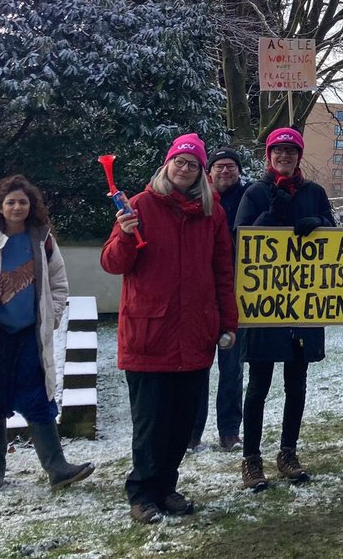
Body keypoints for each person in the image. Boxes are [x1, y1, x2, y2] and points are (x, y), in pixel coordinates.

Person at [100, 133, 236, 524]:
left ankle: (166, 486)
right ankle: (143, 492)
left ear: (200, 173)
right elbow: (112, 263)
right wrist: (125, 234)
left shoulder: (212, 214)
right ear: (168, 164)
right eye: (180, 161)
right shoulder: (139, 206)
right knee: (150, 424)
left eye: (193, 164)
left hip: (195, 335)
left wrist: (228, 321)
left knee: (181, 423)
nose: (185, 168)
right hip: (149, 335)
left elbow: (222, 272)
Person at [0, 175, 95, 494]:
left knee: (39, 398)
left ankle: (57, 468)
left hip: (29, 337)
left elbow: (59, 283)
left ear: (32, 206)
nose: (17, 207)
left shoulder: (42, 241)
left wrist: (52, 316)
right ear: (0, 207)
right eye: (11, 202)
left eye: (23, 202)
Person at [234, 127, 335, 489]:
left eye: (291, 151)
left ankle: (288, 452)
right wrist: (268, 217)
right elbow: (239, 241)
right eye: (279, 151)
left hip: (304, 303)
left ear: (299, 156)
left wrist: (319, 223)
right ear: (269, 155)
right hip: (265, 304)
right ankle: (252, 459)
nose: (285, 157)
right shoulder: (256, 193)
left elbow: (336, 235)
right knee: (258, 384)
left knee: (297, 383)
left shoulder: (315, 193)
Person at [187, 148, 251, 452]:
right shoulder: (195, 198)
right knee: (195, 370)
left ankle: (229, 432)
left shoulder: (249, 197)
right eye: (219, 166)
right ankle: (191, 433)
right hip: (199, 297)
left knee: (232, 369)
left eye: (231, 167)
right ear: (209, 171)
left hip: (235, 296)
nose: (226, 171)